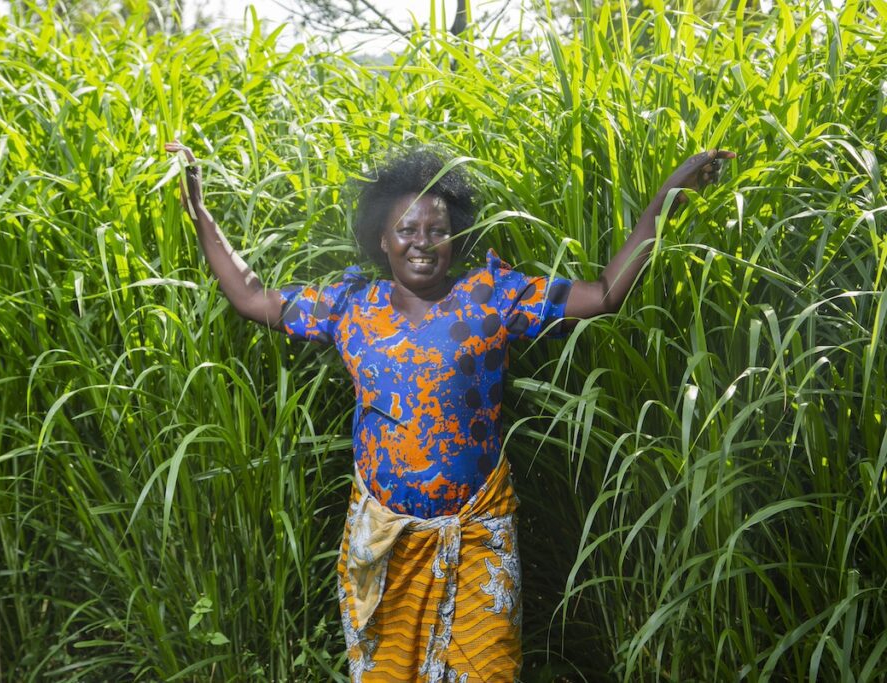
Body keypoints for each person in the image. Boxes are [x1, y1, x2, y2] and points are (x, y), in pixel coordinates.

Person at [165, 141, 734, 682]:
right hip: (383, 544)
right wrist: (200, 211)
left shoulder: (493, 296)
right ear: (382, 240)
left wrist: (664, 200)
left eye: (437, 230)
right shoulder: (350, 308)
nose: (422, 242)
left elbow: (605, 293)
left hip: (478, 538)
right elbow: (251, 295)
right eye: (406, 230)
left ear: (456, 236)